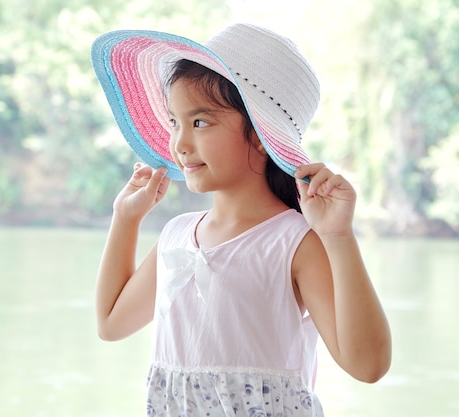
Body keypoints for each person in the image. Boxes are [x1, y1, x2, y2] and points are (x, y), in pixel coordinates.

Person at [91, 23, 391, 417]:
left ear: (260, 136)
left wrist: (338, 237)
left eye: (200, 122)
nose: (180, 144)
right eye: (174, 123)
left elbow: (367, 365)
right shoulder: (177, 235)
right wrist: (125, 218)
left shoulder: (294, 241)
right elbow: (111, 323)